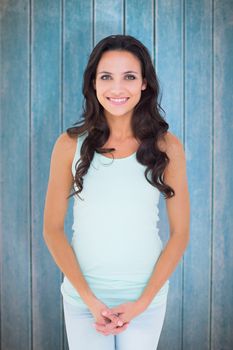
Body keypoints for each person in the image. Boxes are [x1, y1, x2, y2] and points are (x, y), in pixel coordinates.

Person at [43, 34, 190, 350]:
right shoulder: (69, 145)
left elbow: (180, 234)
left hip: (144, 302)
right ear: (93, 83)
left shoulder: (168, 147)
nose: (117, 88)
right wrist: (91, 301)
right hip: (84, 303)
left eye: (130, 77)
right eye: (106, 76)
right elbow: (52, 230)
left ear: (144, 84)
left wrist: (141, 303)